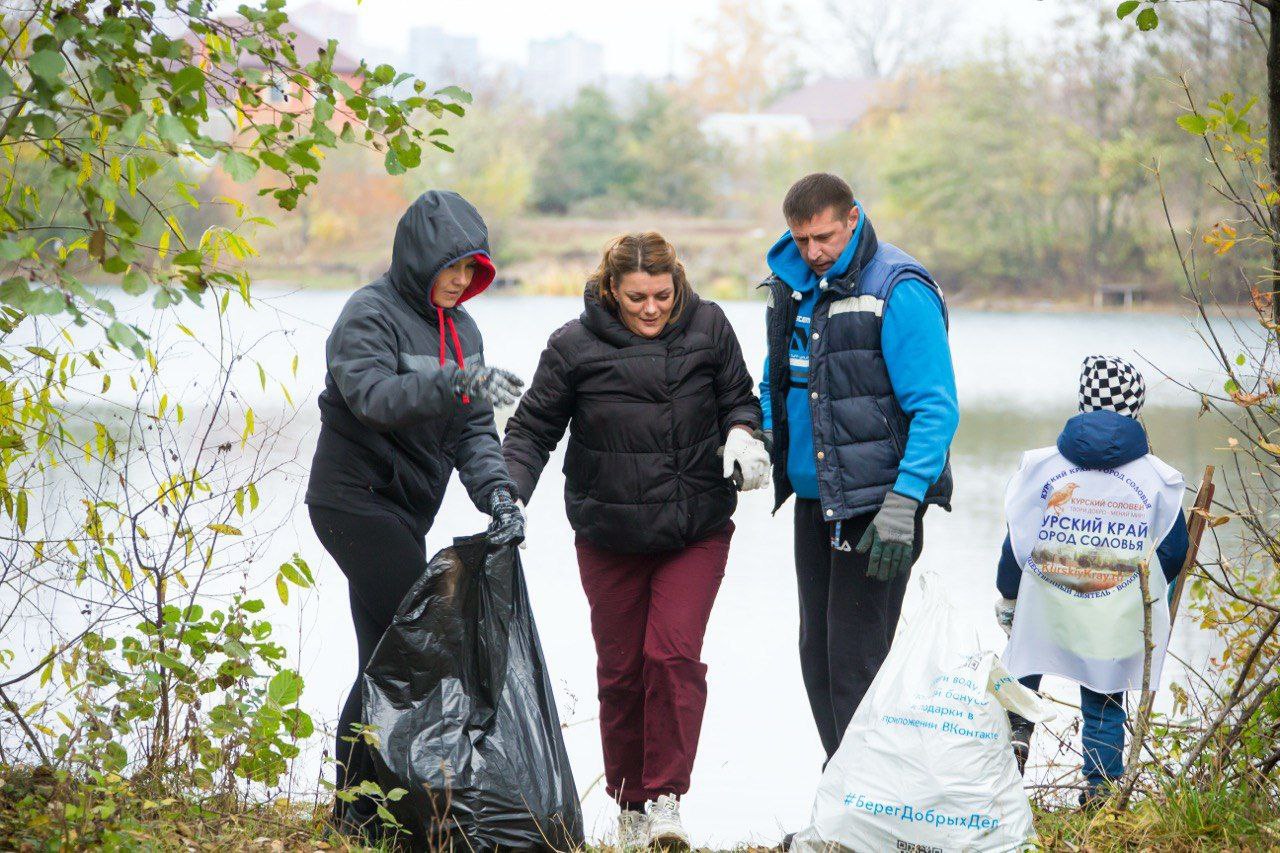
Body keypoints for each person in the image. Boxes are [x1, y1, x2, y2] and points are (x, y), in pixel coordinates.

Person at [502, 232, 769, 850]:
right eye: (636, 298)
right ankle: (629, 809)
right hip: (609, 534)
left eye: (662, 296)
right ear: (610, 291)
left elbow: (741, 399)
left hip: (692, 529)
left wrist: (743, 435)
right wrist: (508, 492)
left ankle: (668, 801)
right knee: (621, 672)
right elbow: (532, 428)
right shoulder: (573, 345)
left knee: (671, 657)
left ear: (678, 285)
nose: (651, 309)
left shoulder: (709, 326)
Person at [304, 190, 527, 835]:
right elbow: (373, 397)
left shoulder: (466, 330)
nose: (462, 281)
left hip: (406, 512)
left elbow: (473, 435)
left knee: (385, 658)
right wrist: (453, 383)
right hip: (352, 500)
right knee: (418, 646)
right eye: (452, 267)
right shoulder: (367, 315)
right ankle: (362, 810)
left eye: (473, 270)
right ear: (420, 258)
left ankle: (367, 816)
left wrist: (499, 496)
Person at [759, 173, 959, 762]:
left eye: (823, 237)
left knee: (855, 668)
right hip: (815, 501)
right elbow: (777, 381)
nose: (813, 251)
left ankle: (867, 818)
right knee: (816, 662)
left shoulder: (898, 289)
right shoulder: (793, 289)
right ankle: (844, 802)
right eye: (801, 240)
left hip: (879, 508)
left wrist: (905, 502)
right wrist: (761, 434)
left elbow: (936, 408)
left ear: (852, 218)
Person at [996, 355, 1189, 806]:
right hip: (1115, 612)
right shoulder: (1157, 478)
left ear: (1082, 400)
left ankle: (1007, 764)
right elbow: (1174, 551)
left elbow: (1019, 539)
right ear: (1136, 408)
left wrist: (1009, 594)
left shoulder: (1041, 467)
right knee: (1104, 698)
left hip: (1047, 602)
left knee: (1024, 655)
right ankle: (1101, 793)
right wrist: (1138, 600)